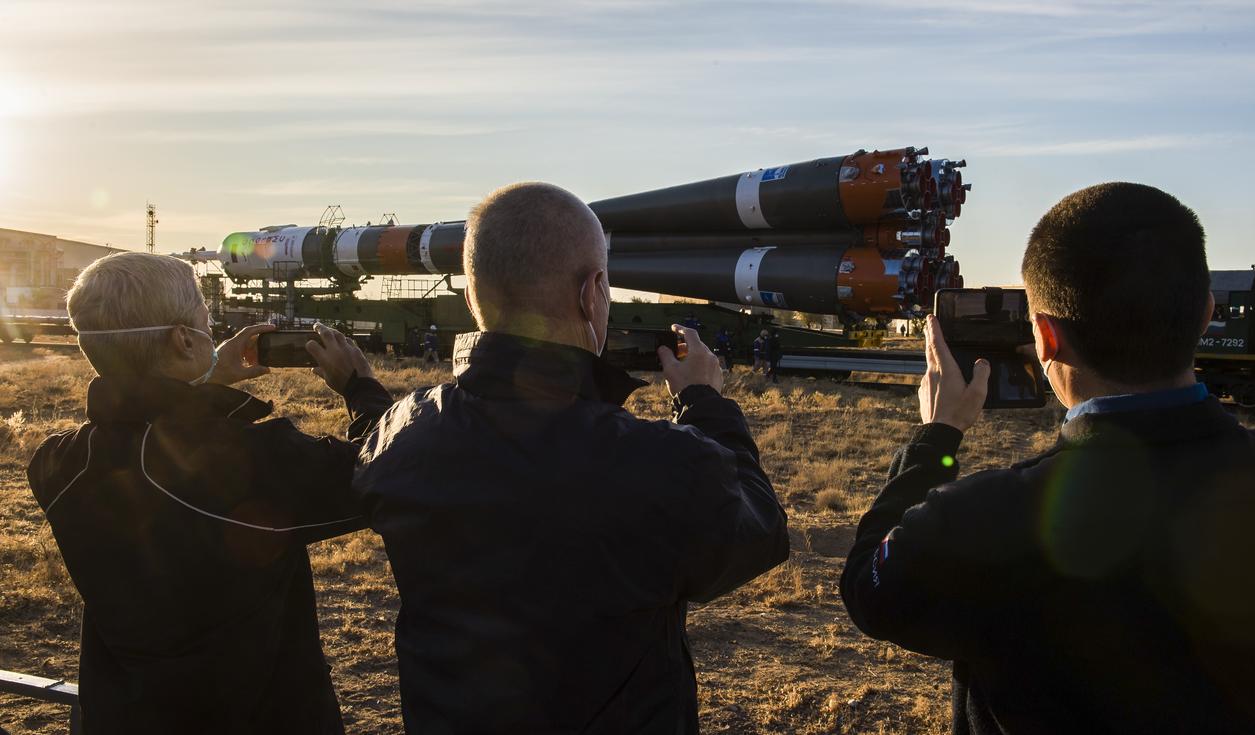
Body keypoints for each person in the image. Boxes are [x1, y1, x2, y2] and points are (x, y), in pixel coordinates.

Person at [840, 183, 1255, 734]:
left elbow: (869, 590)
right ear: (1206, 314)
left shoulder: (986, 516)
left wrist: (937, 439)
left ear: (1045, 336)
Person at [354, 182, 789, 734]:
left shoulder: (403, 433)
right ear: (593, 294)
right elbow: (762, 531)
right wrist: (704, 403)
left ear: (471, 298)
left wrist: (358, 390)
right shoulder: (659, 462)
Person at [26, 252, 393, 734]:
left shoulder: (58, 463)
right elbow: (386, 470)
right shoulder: (243, 462)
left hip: (126, 716)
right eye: (203, 321)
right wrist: (360, 387)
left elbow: (148, 430)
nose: (210, 333)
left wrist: (203, 378)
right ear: (183, 339)